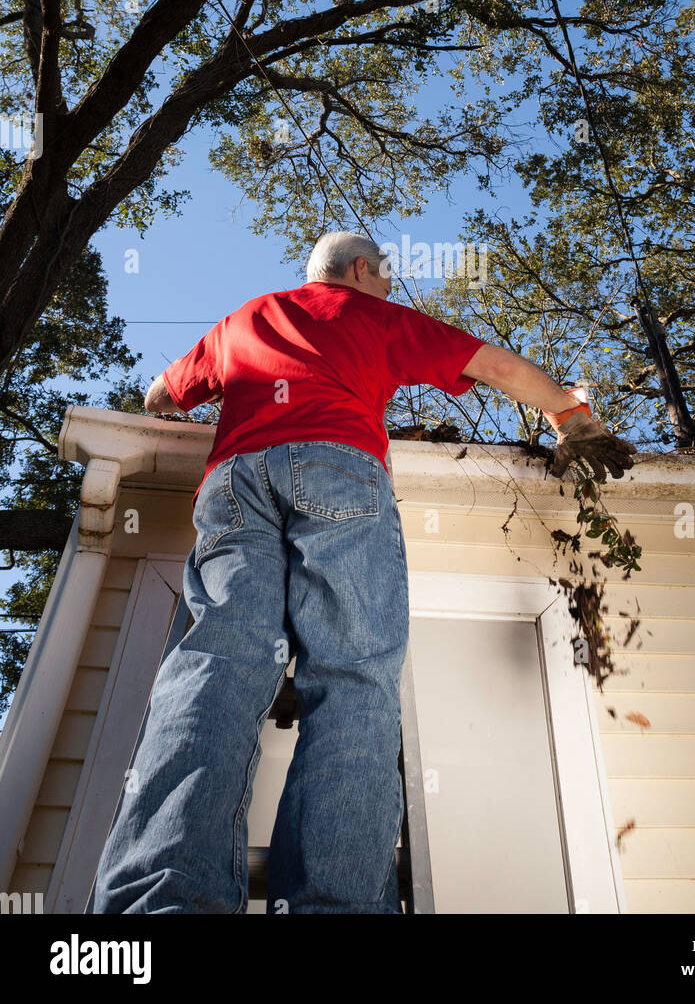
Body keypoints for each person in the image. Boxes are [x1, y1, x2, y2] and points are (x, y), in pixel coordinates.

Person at [91, 231, 635, 915]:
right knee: (351, 680)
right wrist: (570, 417)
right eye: (384, 279)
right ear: (360, 270)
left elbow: (157, 398)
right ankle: (333, 905)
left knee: (213, 670)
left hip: (233, 485)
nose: (388, 290)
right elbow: (496, 366)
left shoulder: (243, 320)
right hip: (338, 466)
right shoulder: (373, 316)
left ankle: (155, 904)